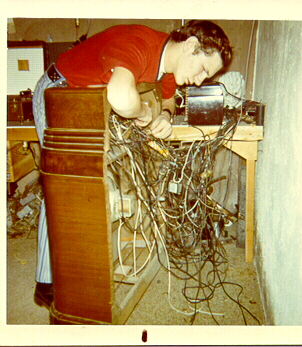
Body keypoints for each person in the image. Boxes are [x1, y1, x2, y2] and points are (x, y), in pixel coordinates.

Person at [33, 20, 232, 308]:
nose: (201, 81)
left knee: (82, 188)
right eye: (202, 69)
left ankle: (74, 268)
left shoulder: (169, 59)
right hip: (59, 91)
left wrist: (164, 115)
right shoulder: (137, 42)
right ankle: (46, 283)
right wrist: (142, 111)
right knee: (61, 188)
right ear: (191, 46)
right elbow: (121, 97)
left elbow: (168, 97)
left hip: (85, 99)